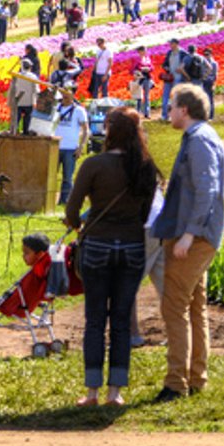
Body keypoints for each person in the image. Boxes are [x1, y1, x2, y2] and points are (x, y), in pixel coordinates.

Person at [64, 106, 157, 408]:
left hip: (97, 246)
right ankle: (115, 392)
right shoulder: (145, 166)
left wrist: (79, 226)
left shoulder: (93, 165)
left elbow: (72, 210)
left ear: (109, 131)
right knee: (121, 321)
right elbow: (145, 214)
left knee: (94, 319)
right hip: (131, 246)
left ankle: (91, 391)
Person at [153, 84, 224, 402]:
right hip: (198, 234)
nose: (167, 111)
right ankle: (197, 378)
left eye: (171, 106)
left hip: (194, 237)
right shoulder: (202, 136)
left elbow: (207, 189)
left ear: (184, 109)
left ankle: (176, 383)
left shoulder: (198, 140)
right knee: (196, 307)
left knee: (174, 307)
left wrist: (188, 233)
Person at [52, 86, 89, 206]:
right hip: (54, 147)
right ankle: (49, 201)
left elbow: (86, 130)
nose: (65, 95)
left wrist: (81, 146)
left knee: (67, 177)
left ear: (73, 94)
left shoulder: (79, 110)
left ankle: (65, 201)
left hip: (70, 148)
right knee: (50, 176)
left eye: (68, 92)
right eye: (63, 92)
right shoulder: (55, 108)